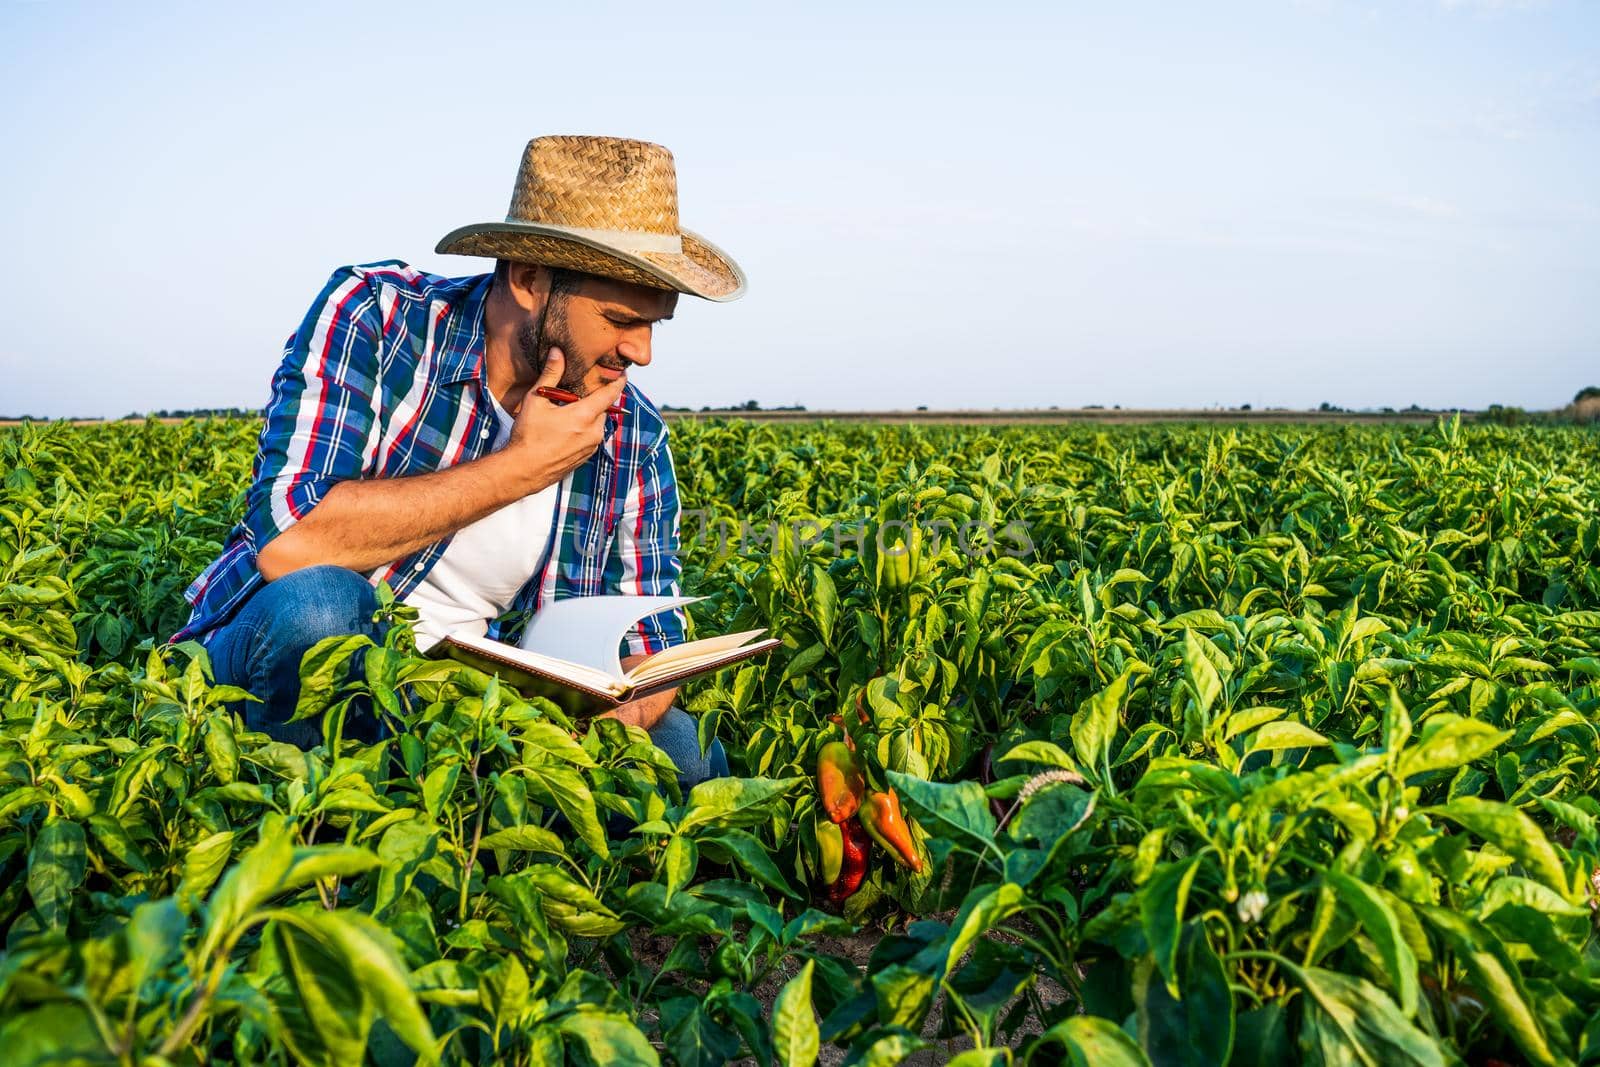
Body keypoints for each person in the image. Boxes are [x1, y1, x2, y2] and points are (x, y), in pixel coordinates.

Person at [171, 135, 747, 788]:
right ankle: (299, 821)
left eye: (655, 324)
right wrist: (517, 470)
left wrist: (627, 707)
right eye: (619, 318)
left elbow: (645, 644)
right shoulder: (381, 320)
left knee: (681, 752)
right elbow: (291, 545)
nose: (640, 351)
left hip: (456, 693)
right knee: (323, 609)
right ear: (529, 278)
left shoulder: (630, 431)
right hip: (281, 654)